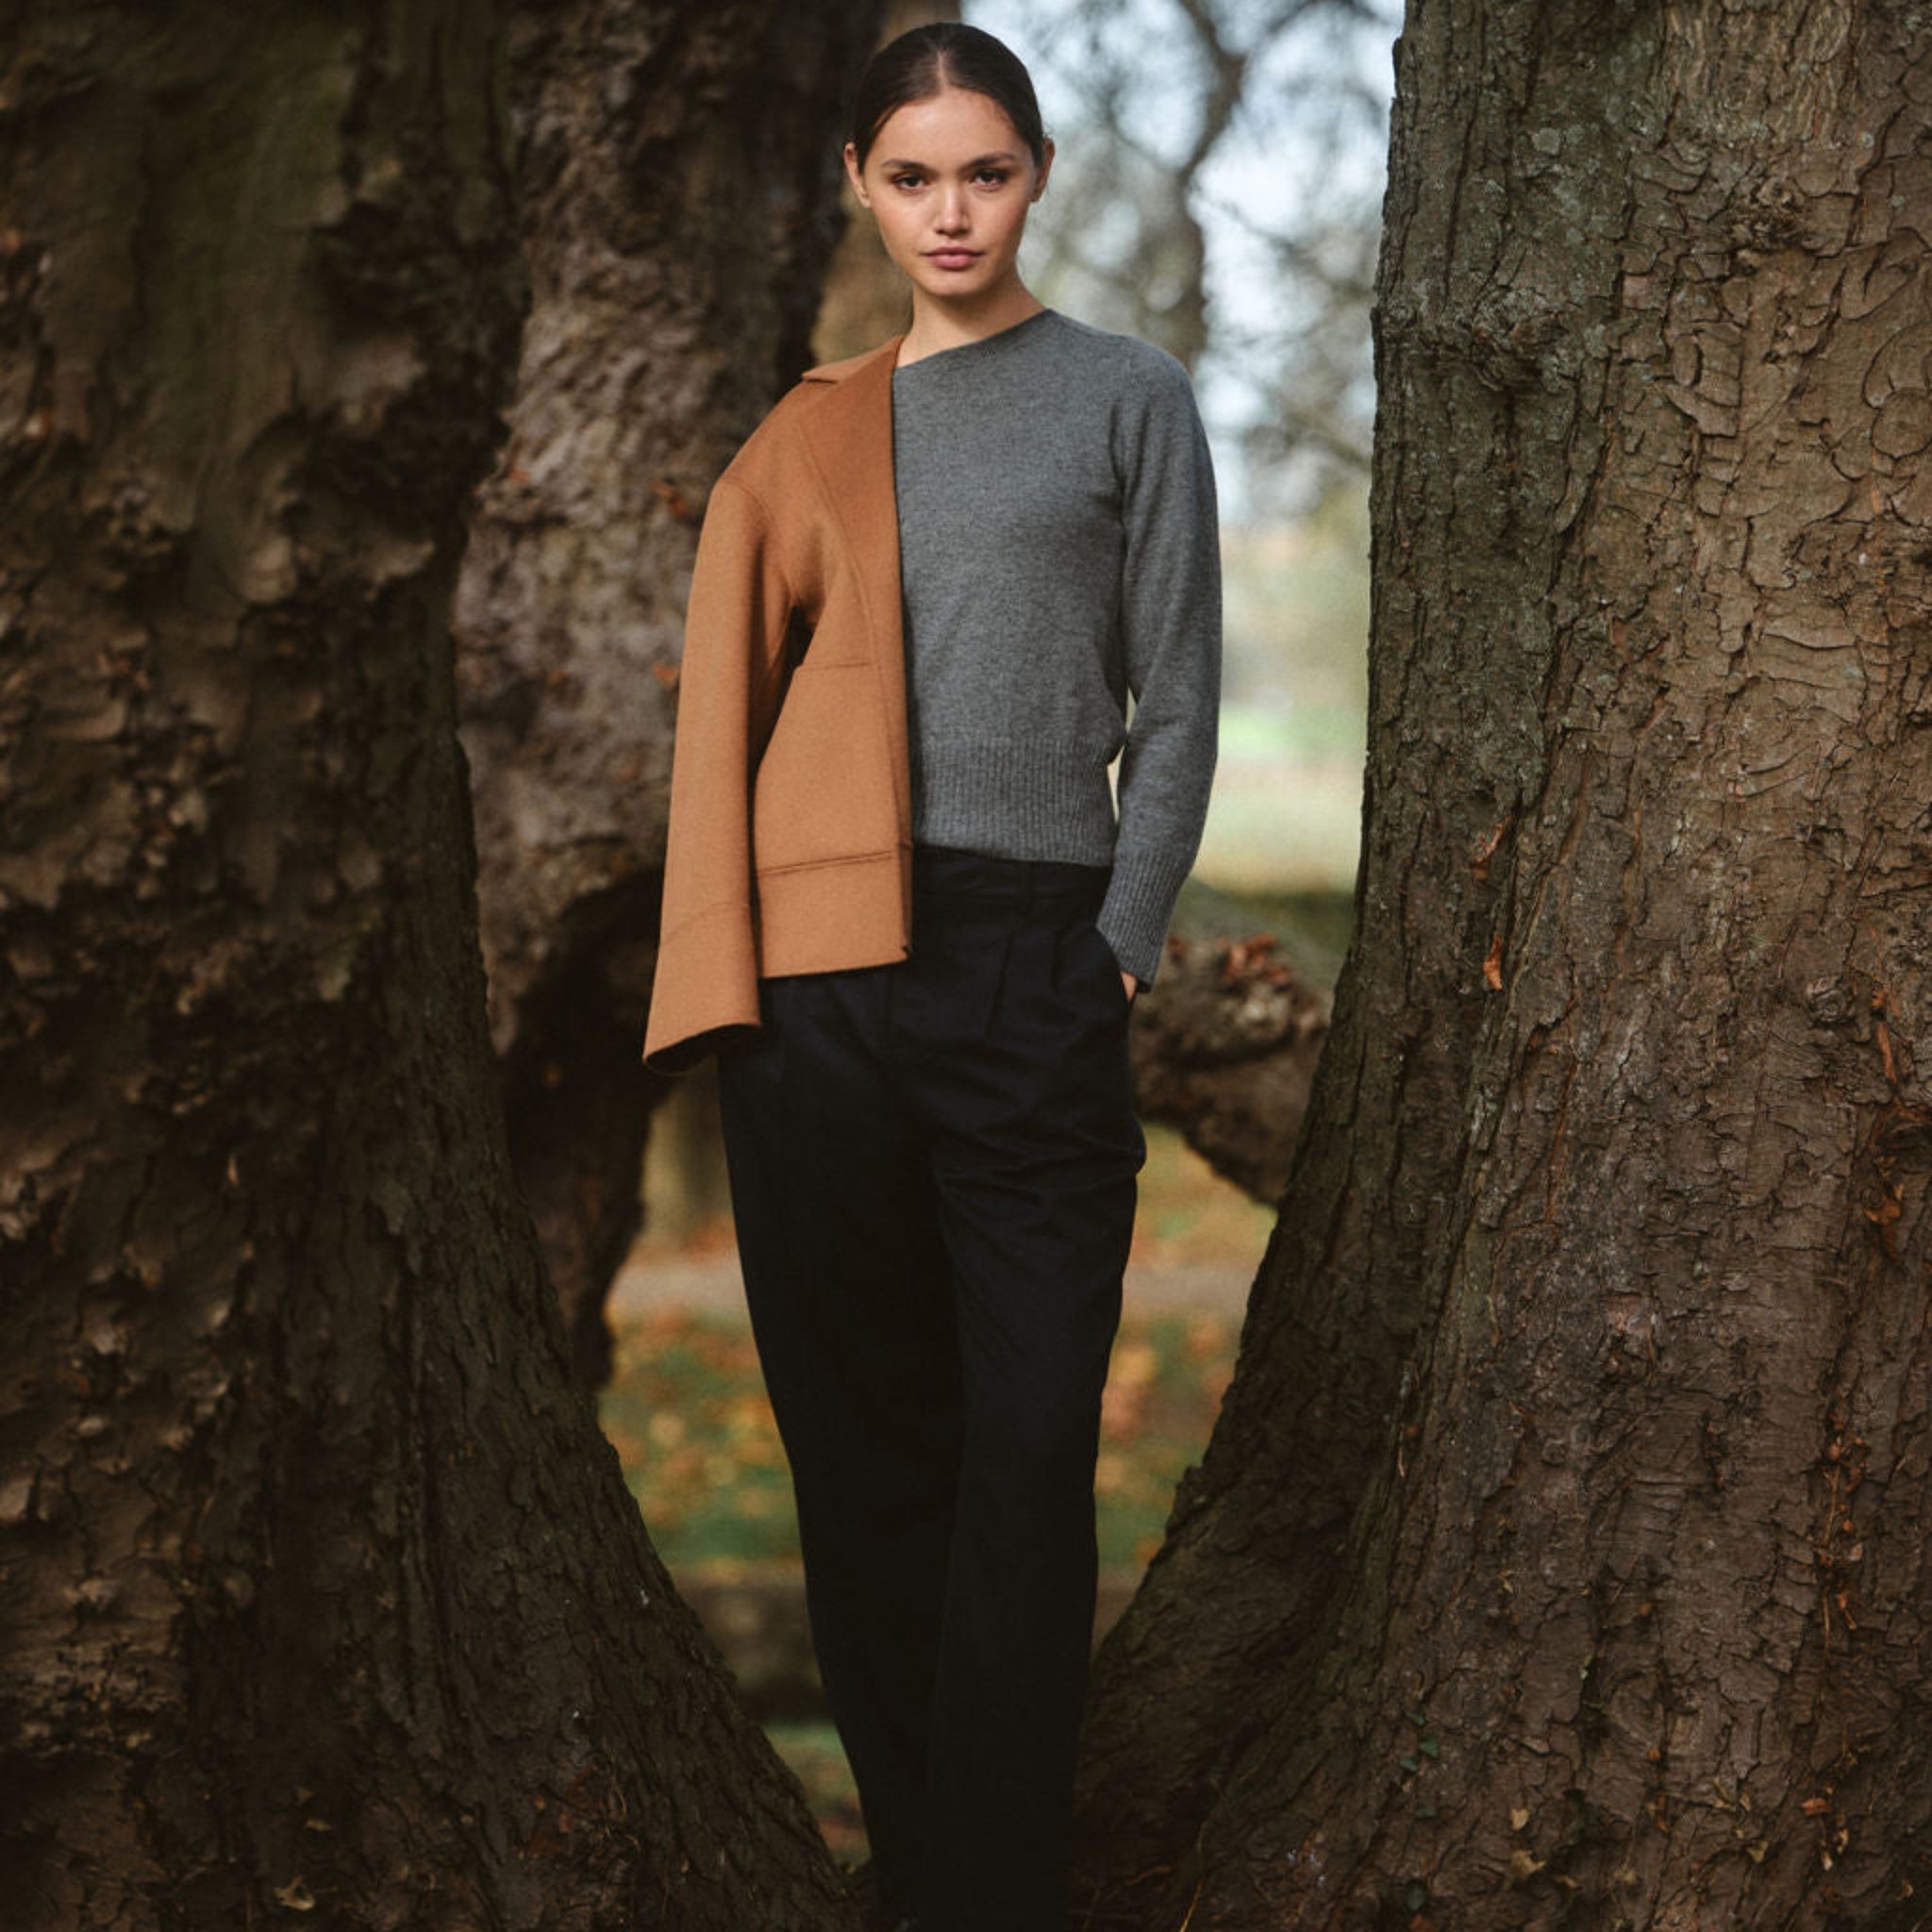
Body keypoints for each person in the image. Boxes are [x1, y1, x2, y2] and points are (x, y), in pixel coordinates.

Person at [642, 22, 1221, 1931]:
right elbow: (719, 709)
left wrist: (1117, 948)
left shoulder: (1126, 400)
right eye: (911, 177)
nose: (949, 210)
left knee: (1032, 1441)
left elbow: (1182, 693)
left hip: (1033, 970)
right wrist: (733, 989)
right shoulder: (811, 428)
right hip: (822, 992)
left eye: (982, 170)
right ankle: (944, 1882)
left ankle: (987, 1871)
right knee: (869, 1454)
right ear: (859, 191)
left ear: (1036, 173)